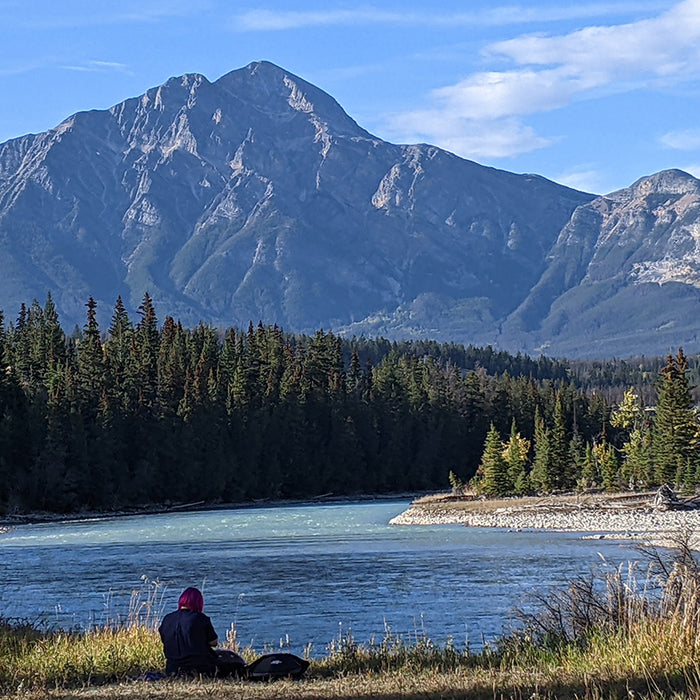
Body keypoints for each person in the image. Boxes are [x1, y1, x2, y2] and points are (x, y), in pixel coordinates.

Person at [158, 587, 245, 677]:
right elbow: (214, 642)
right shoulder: (200, 618)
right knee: (235, 665)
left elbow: (164, 638)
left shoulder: (167, 619)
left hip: (172, 668)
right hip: (200, 668)